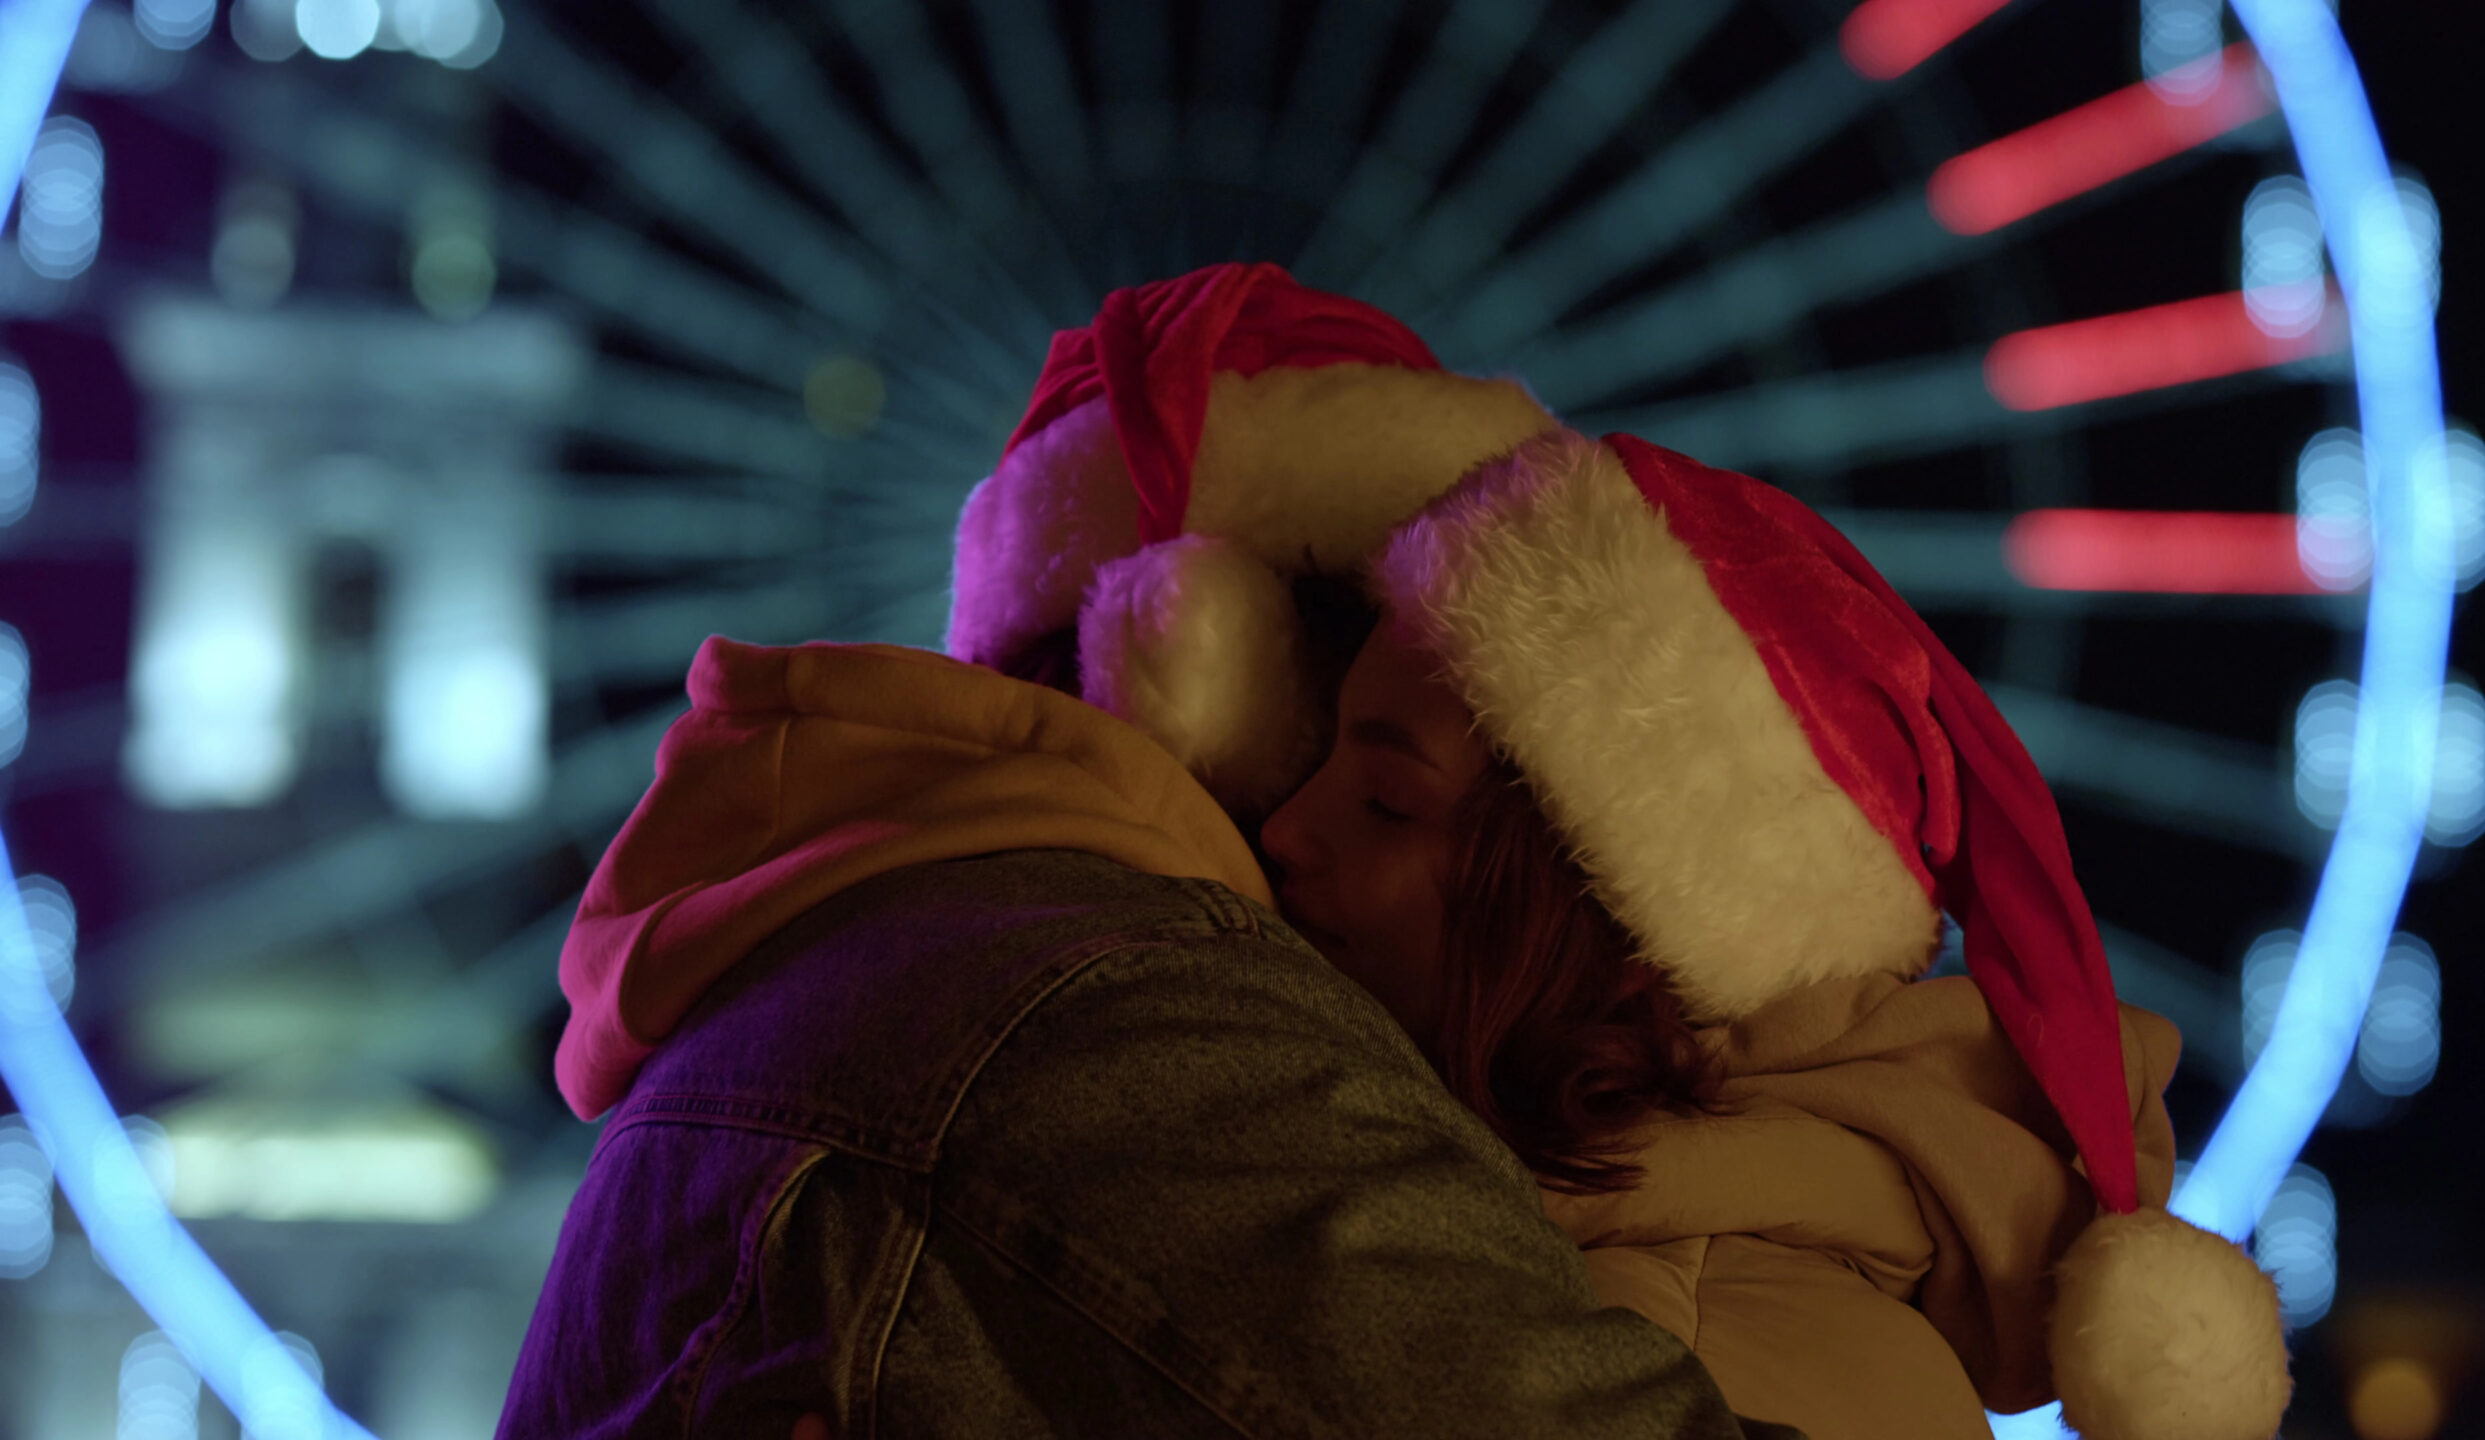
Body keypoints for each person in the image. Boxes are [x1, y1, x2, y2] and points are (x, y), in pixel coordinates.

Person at [496, 266, 1801, 1439]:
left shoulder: (836, 948)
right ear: (1211, 667)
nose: (1313, 824)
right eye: (1376, 735)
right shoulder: (1134, 1008)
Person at [1243, 429, 2298, 1440]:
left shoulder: (1645, 1346)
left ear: (1606, 919)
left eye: (1386, 801)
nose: (1282, 831)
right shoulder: (1579, 1271)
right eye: (1316, 760)